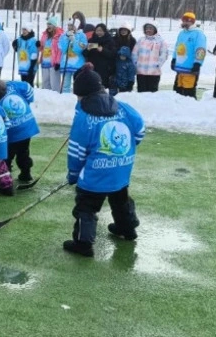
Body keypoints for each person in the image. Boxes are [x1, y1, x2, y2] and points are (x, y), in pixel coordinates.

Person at [63, 63, 145, 257]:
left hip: (95, 175)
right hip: (121, 168)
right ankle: (127, 229)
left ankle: (83, 244)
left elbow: (76, 153)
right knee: (120, 199)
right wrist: (126, 151)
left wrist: (74, 175)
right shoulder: (123, 107)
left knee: (86, 207)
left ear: (82, 95)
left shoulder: (84, 118)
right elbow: (140, 130)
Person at [0, 72, 40, 183]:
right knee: (23, 151)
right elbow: (27, 87)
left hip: (13, 131)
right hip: (27, 125)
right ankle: (26, 173)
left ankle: (5, 178)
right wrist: (28, 101)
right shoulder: (12, 84)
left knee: (7, 155)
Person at [171, 12, 207, 98]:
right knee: (177, 91)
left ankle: (190, 108)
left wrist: (197, 63)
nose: (185, 22)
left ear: (192, 22)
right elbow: (177, 47)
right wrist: (174, 59)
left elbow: (200, 49)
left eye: (188, 21)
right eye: (184, 20)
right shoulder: (182, 33)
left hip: (191, 69)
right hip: (180, 68)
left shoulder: (198, 34)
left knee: (188, 92)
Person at [132, 22, 169, 93]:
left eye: (150, 28)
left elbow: (164, 54)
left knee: (152, 94)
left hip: (154, 73)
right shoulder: (141, 40)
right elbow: (134, 53)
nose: (148, 30)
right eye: (147, 28)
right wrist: (137, 64)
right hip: (141, 72)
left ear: (155, 29)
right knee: (141, 92)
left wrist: (158, 65)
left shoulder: (160, 41)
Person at [83, 23, 116, 92]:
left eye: (101, 30)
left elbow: (112, 54)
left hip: (104, 69)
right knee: (92, 85)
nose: (99, 32)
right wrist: (88, 49)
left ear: (104, 31)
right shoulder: (91, 40)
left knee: (102, 86)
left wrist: (103, 50)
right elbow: (84, 54)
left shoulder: (110, 41)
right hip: (92, 67)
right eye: (97, 30)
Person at [58, 21, 88, 94]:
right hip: (66, 63)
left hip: (78, 65)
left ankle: (76, 98)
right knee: (65, 84)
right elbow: (62, 49)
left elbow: (81, 49)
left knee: (77, 84)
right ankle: (65, 99)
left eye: (72, 25)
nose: (70, 27)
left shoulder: (82, 35)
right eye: (69, 25)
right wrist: (66, 39)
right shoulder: (63, 35)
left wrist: (74, 41)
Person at [39, 17, 63, 91]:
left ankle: (56, 99)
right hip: (45, 62)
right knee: (45, 83)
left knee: (54, 84)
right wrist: (38, 45)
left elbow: (60, 50)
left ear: (55, 26)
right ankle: (47, 99)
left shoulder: (60, 36)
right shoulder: (45, 35)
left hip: (54, 63)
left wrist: (58, 62)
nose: (48, 26)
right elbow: (41, 48)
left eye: (50, 24)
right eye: (47, 24)